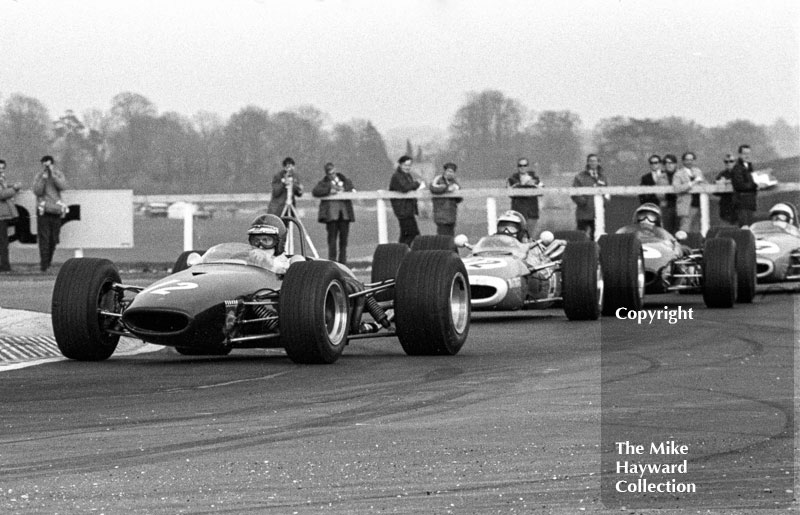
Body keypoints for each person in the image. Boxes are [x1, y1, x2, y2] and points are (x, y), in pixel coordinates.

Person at [312, 162, 355, 264]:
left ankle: (343, 262)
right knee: (332, 240)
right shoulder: (324, 183)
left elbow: (351, 186)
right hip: (331, 216)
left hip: (344, 215)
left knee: (344, 241)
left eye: (333, 172)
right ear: (327, 174)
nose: (332, 175)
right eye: (330, 173)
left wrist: (343, 189)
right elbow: (316, 191)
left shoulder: (344, 180)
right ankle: (332, 262)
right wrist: (329, 190)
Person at [32, 155, 68, 272]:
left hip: (56, 210)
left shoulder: (58, 174)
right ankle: (44, 265)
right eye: (44, 165)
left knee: (53, 239)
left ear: (52, 164)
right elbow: (37, 191)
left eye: (48, 165)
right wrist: (43, 178)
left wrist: (53, 175)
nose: (46, 167)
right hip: (43, 210)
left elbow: (63, 186)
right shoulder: (39, 176)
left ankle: (48, 261)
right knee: (44, 239)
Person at [571, 154, 608, 240]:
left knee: (596, 237)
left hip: (598, 214)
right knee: (580, 236)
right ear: (587, 162)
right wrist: (583, 202)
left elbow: (607, 192)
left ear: (598, 162)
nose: (593, 163)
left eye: (595, 161)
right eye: (590, 161)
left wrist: (603, 202)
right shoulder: (580, 177)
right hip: (583, 213)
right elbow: (574, 193)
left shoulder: (603, 177)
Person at [389, 155, 422, 246]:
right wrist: (417, 183)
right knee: (413, 234)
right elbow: (405, 188)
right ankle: (403, 253)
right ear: (400, 165)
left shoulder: (407, 176)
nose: (407, 167)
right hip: (402, 210)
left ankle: (399, 254)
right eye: (405, 165)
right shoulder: (397, 176)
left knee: (405, 234)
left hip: (408, 210)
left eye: (409, 165)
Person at [507, 158, 542, 238]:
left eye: (525, 165)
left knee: (530, 237)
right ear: (517, 167)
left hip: (532, 213)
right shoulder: (512, 179)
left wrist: (532, 184)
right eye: (520, 165)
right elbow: (509, 193)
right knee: (518, 237)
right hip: (518, 214)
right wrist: (522, 184)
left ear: (527, 167)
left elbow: (542, 191)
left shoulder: (535, 179)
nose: (522, 167)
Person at [0, 159, 23, 272]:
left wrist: (11, 186)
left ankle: (4, 265)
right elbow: (1, 194)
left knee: (3, 242)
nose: (1, 170)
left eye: (3, 168)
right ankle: (4, 266)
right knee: (3, 243)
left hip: (3, 216)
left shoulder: (2, 179)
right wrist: (14, 189)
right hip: (1, 216)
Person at [429, 162, 462, 236]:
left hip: (451, 216)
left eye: (452, 172)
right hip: (441, 216)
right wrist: (447, 188)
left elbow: (459, 199)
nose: (450, 173)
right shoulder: (438, 179)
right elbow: (432, 188)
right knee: (442, 237)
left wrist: (456, 192)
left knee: (450, 237)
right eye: (448, 171)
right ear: (444, 171)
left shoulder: (455, 183)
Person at [676, 152, 706, 232]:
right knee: (685, 230)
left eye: (691, 159)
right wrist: (692, 183)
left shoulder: (698, 172)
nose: (689, 162)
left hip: (699, 205)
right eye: (687, 159)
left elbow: (705, 185)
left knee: (697, 230)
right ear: (683, 161)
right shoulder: (678, 174)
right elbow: (677, 188)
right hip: (686, 206)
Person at [731, 145, 758, 227]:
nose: (747, 156)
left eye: (748, 153)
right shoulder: (737, 168)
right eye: (744, 153)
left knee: (751, 228)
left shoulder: (749, 166)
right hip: (742, 203)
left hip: (750, 202)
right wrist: (755, 185)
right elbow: (739, 185)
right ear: (739, 154)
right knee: (745, 228)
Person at [714, 154, 737, 225]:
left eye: (731, 161)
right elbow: (715, 191)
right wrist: (720, 184)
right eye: (726, 162)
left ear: (735, 162)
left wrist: (727, 181)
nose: (728, 163)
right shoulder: (722, 174)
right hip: (726, 206)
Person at [660, 154, 679, 233]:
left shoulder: (681, 175)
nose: (669, 165)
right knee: (667, 231)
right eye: (666, 163)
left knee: (680, 230)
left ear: (675, 164)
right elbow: (659, 194)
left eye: (671, 163)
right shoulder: (661, 177)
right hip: (667, 207)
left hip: (680, 206)